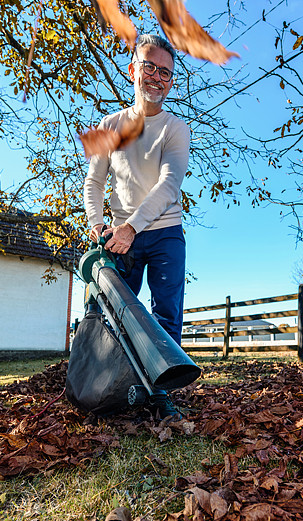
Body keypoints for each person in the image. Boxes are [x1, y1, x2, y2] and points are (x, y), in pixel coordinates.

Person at [83, 34, 191, 419]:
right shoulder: (109, 125)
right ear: (133, 70)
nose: (157, 77)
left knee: (166, 314)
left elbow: (169, 183)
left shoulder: (176, 129)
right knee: (114, 312)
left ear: (171, 81)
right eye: (150, 67)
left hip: (165, 233)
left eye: (166, 72)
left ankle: (161, 395)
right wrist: (98, 223)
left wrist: (133, 226)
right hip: (118, 237)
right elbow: (94, 181)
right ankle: (111, 386)